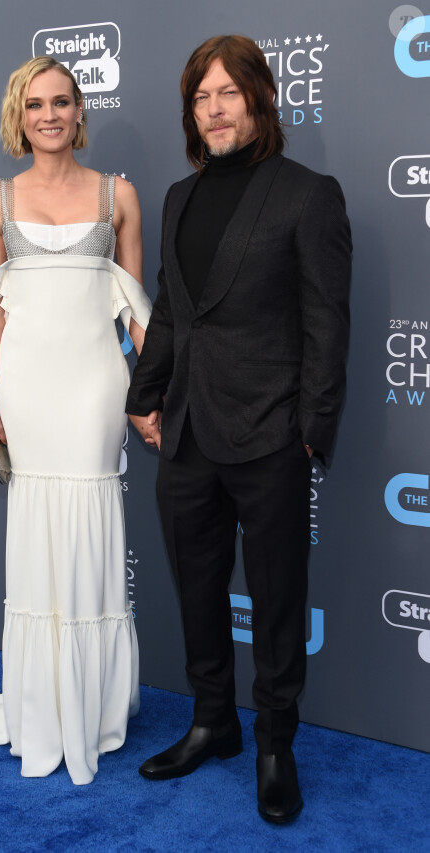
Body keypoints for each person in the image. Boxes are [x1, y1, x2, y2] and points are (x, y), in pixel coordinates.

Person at [126, 35, 351, 822]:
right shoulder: (178, 198)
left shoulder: (308, 193)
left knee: (279, 594)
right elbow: (170, 315)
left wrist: (311, 430)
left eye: (229, 92)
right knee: (196, 586)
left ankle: (274, 740)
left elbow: (328, 323)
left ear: (259, 99)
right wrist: (142, 396)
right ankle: (213, 720)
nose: (215, 109)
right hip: (184, 432)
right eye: (201, 96)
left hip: (270, 434)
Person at [0, 56, 151, 785]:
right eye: (35, 104)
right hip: (28, 388)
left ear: (78, 111)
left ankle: (94, 705)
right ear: (19, 114)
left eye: (62, 101)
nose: (50, 115)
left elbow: (134, 309)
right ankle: (43, 701)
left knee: (93, 523)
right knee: (37, 533)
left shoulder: (118, 194)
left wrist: (148, 391)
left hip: (96, 385)